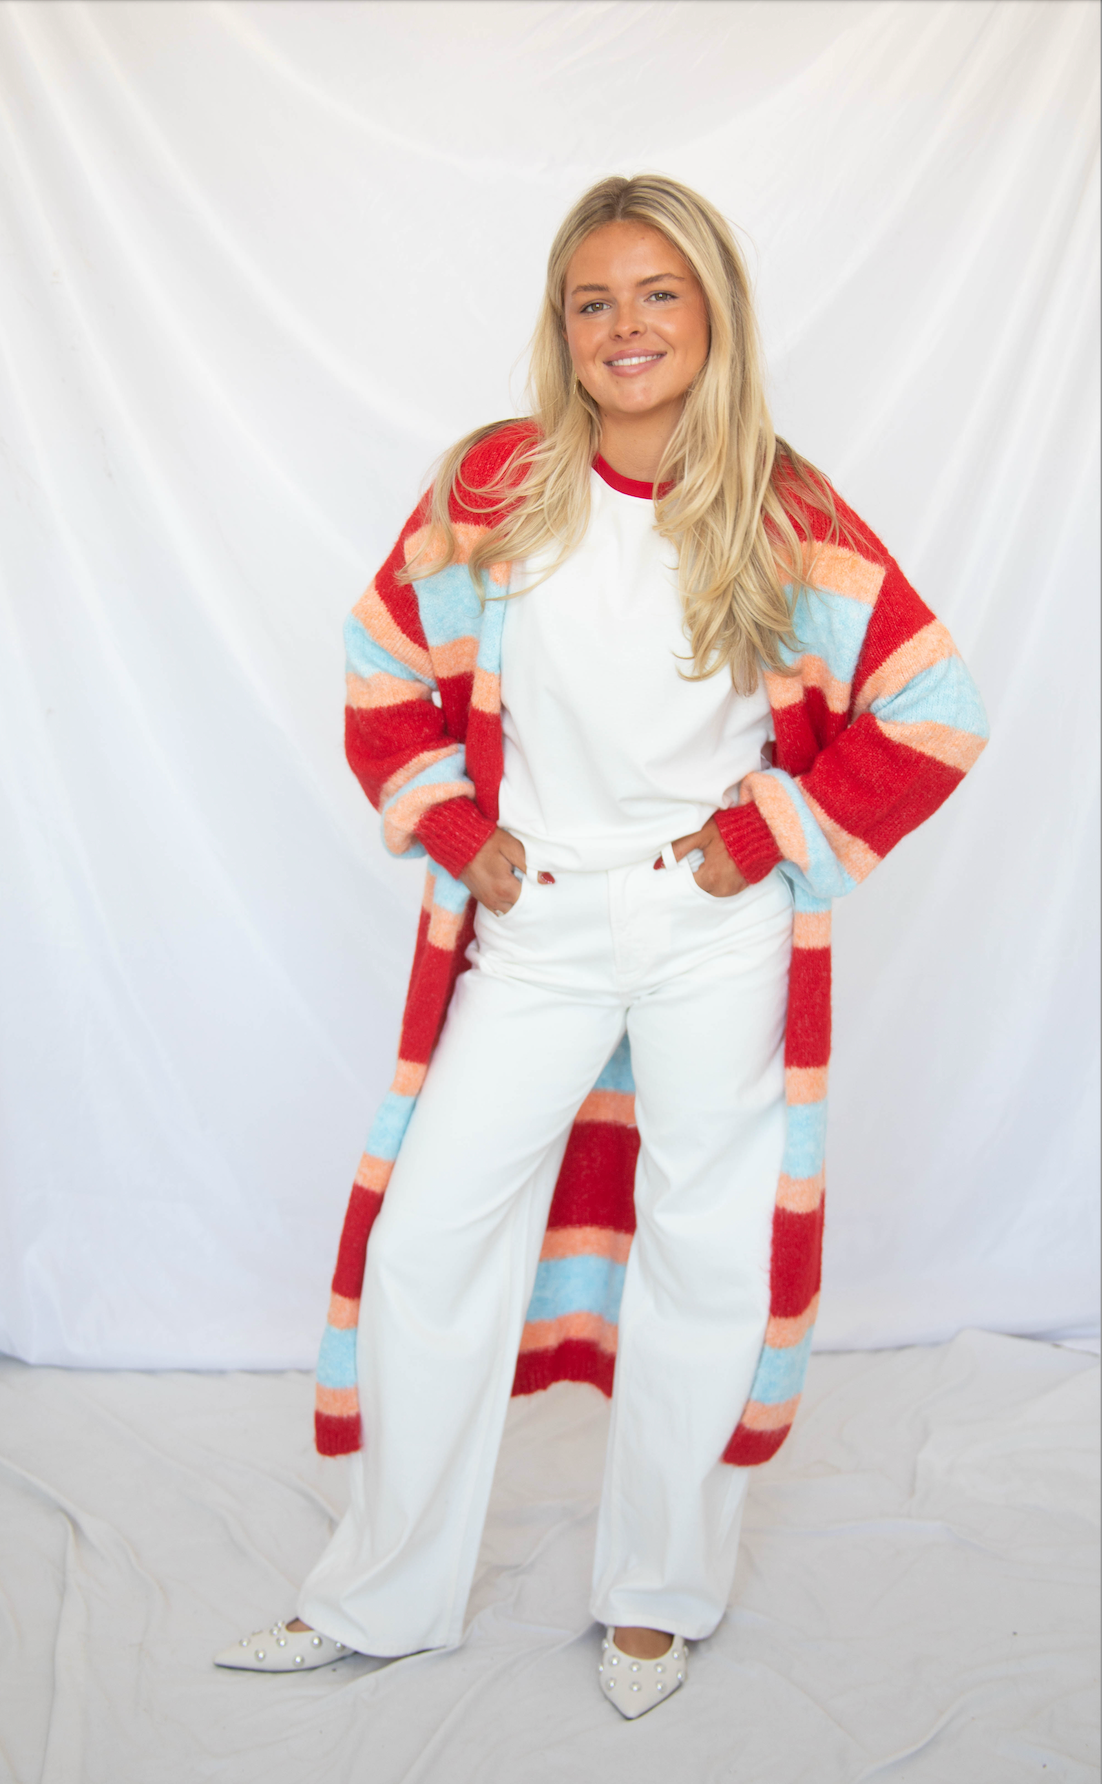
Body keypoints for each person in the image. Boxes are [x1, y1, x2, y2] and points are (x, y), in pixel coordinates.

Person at [214, 174, 987, 1717]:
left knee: (705, 1248)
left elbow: (932, 705)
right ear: (560, 329)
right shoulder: (497, 488)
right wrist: (454, 827)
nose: (624, 327)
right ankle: (382, 1593)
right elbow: (382, 663)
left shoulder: (781, 507)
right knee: (429, 1236)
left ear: (712, 314)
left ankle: (655, 1597)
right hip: (542, 918)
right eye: (593, 301)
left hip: (713, 925)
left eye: (657, 294)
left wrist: (767, 834)